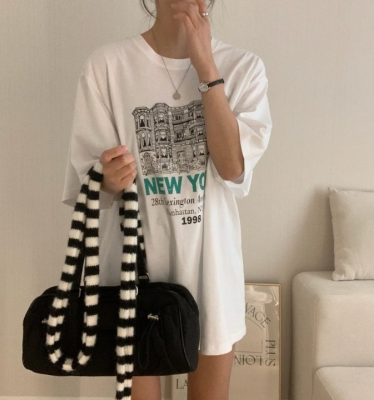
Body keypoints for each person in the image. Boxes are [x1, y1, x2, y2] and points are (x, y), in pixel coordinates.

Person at [62, 0, 272, 399]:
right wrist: (107, 178)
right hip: (133, 268)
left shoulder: (243, 68)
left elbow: (232, 167)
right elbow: (88, 179)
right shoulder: (107, 66)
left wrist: (206, 67)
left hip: (211, 267)